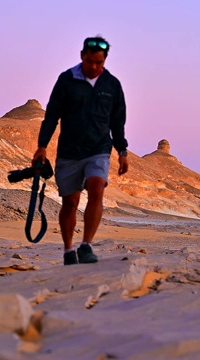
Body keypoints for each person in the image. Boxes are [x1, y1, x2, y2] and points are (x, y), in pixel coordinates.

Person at [32, 36, 129, 265]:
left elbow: (118, 121)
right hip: (69, 151)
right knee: (70, 203)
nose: (93, 67)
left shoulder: (112, 85)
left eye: (98, 63)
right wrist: (42, 146)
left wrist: (122, 151)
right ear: (81, 56)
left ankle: (86, 246)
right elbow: (52, 115)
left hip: (99, 149)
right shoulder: (67, 80)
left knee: (97, 188)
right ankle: (68, 250)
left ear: (104, 61)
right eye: (89, 61)